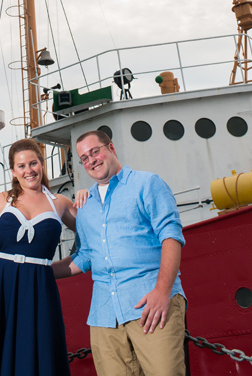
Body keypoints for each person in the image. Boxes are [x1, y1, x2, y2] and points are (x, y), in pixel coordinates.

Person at [53, 130, 186, 375]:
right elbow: (85, 256)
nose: (91, 160)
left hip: (150, 304)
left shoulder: (147, 184)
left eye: (95, 151)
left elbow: (171, 236)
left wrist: (162, 291)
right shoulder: (86, 205)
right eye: (84, 158)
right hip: (104, 317)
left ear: (111, 149)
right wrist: (41, 272)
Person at [0, 138, 78, 376]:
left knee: (37, 350)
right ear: (14, 172)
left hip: (39, 289)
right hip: (0, 288)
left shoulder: (61, 203)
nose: (29, 170)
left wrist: (53, 269)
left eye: (33, 163)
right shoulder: (1, 200)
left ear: (41, 164)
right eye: (22, 166)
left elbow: (91, 240)